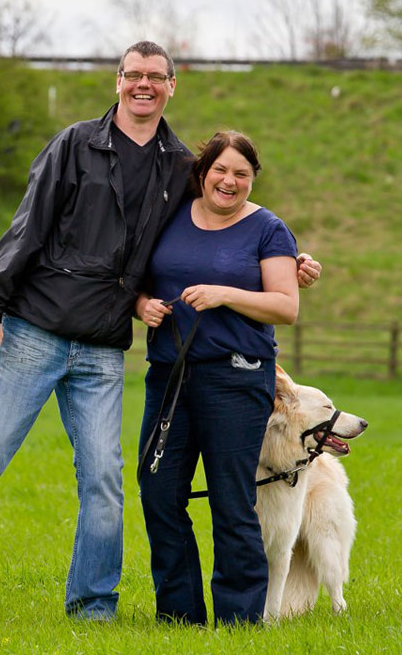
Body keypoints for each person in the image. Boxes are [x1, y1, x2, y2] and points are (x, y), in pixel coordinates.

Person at [0, 41, 320, 621]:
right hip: (36, 329)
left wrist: (288, 259)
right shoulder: (75, 144)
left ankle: (93, 607)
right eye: (133, 75)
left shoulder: (181, 166)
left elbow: (224, 212)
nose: (143, 84)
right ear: (117, 80)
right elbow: (27, 226)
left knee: (104, 480)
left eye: (156, 76)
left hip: (103, 346)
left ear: (173, 85)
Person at [135, 130, 300, 626]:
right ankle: (179, 616)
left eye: (242, 174)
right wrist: (142, 304)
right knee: (159, 493)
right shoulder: (170, 217)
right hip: (169, 375)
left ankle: (239, 620)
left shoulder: (269, 229)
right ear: (202, 173)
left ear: (253, 180)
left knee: (232, 500)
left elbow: (285, 306)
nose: (229, 182)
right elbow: (138, 276)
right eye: (221, 171)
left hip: (237, 378)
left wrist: (225, 293)